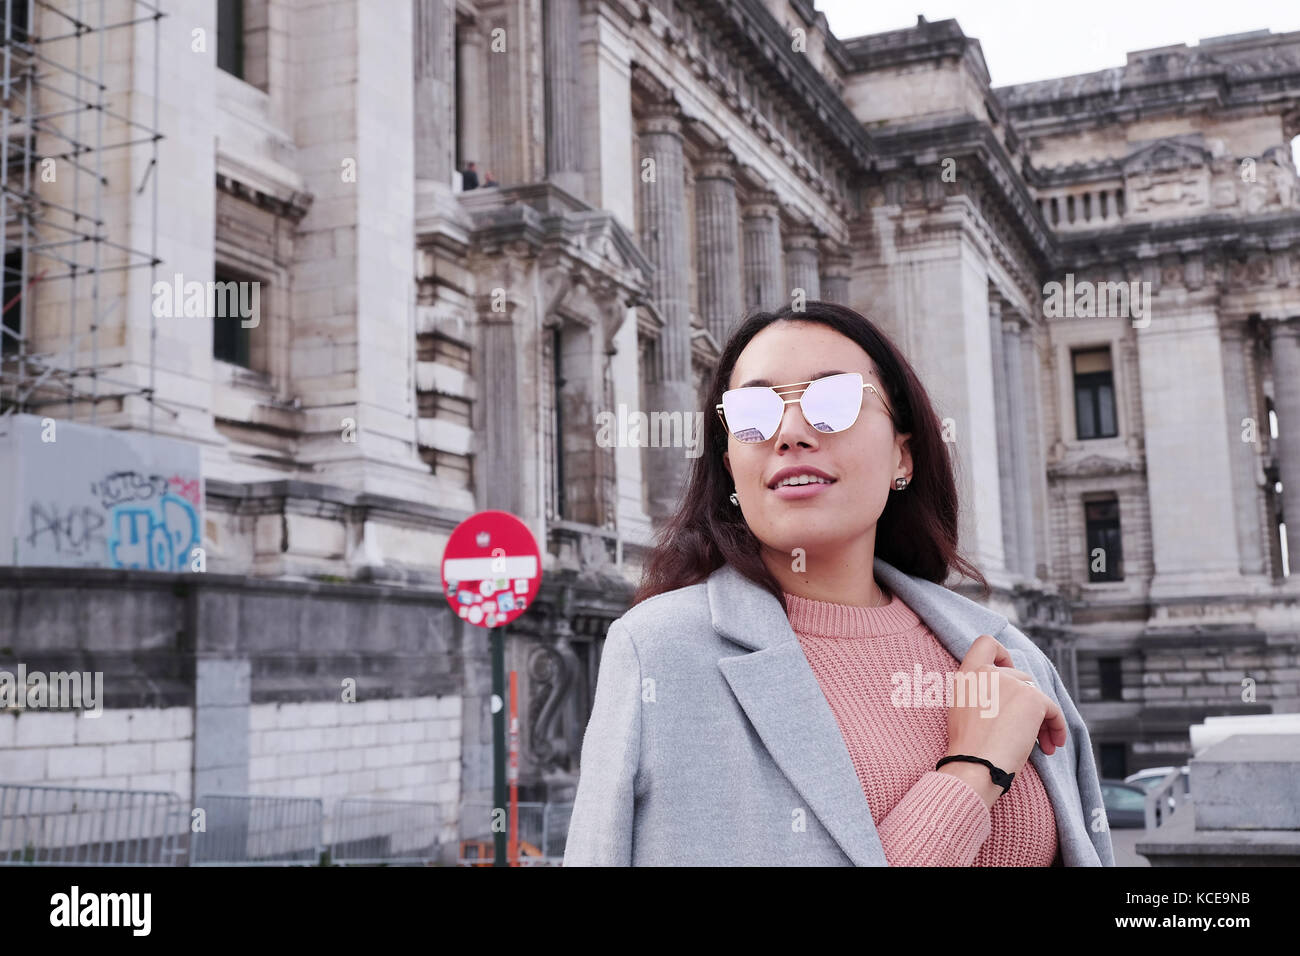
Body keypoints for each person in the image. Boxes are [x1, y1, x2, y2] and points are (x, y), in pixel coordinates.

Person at [563, 300, 1115, 867]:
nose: (790, 432)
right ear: (731, 466)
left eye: (833, 401)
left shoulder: (1013, 658)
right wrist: (975, 768)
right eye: (752, 411)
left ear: (904, 455)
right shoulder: (658, 654)